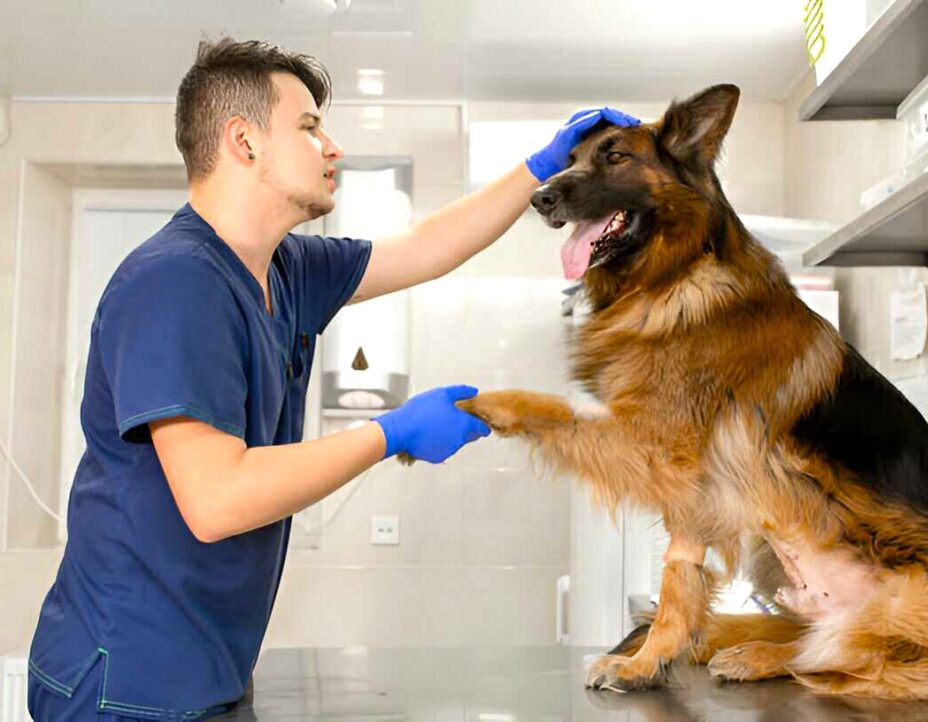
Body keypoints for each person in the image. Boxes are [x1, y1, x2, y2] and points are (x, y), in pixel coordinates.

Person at [25, 37, 639, 721]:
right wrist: (390, 431)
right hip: (125, 684)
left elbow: (425, 249)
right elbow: (217, 499)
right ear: (243, 141)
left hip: (204, 670)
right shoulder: (176, 282)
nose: (333, 146)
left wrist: (540, 167)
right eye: (310, 127)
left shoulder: (285, 269)